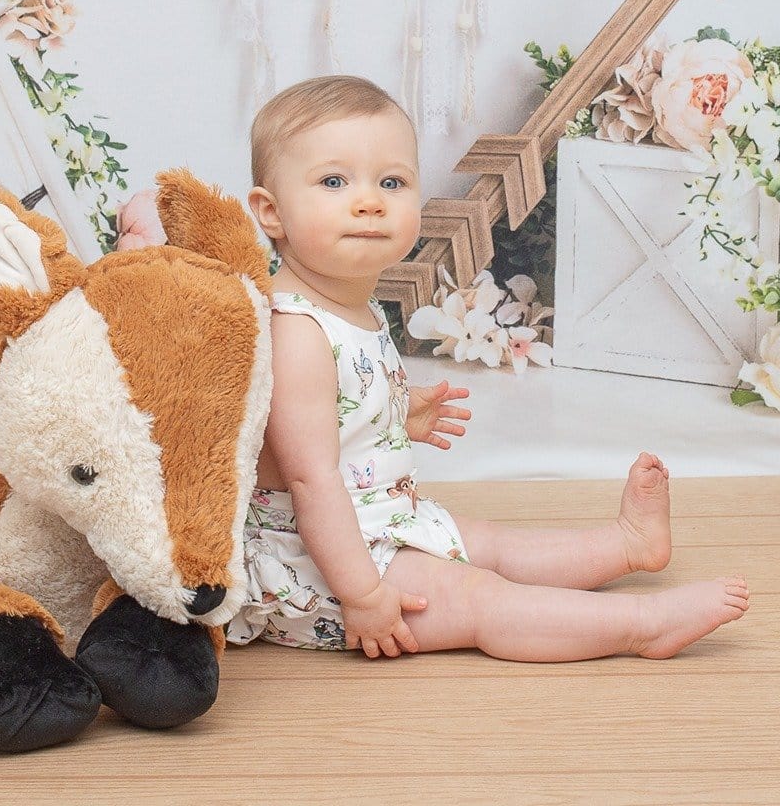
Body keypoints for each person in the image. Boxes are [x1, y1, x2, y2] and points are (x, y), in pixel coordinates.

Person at [226, 74, 749, 660]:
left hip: (382, 523)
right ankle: (640, 624)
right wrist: (365, 595)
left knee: (497, 545)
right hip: (322, 566)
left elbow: (335, 414)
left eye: (392, 181)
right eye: (333, 181)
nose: (369, 199)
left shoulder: (351, 302)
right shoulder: (294, 330)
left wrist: (395, 413)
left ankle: (629, 545)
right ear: (269, 213)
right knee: (481, 597)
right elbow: (308, 482)